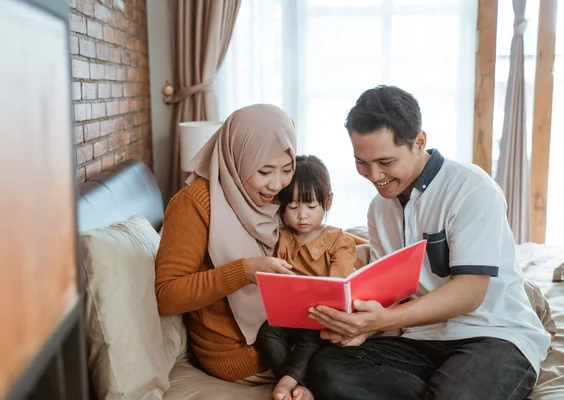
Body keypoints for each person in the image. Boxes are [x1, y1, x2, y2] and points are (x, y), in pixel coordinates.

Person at [307, 85, 551, 400]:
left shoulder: (471, 188)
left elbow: (469, 293)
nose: (374, 175)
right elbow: (395, 294)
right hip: (418, 340)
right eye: (362, 162)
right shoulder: (379, 209)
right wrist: (365, 327)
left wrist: (385, 319)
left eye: (385, 161)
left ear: (419, 142)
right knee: (329, 368)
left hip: (492, 335)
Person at [154, 104, 298, 385]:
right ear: (236, 158)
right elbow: (167, 295)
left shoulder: (270, 199)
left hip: (282, 329)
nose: (276, 184)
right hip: (241, 351)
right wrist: (244, 271)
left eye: (287, 169)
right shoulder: (194, 203)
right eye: (265, 171)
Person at [256, 155, 367, 400]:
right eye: (293, 208)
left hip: (325, 317)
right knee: (267, 333)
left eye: (311, 206)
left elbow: (341, 282)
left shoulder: (338, 241)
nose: (302, 215)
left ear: (327, 202)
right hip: (291, 315)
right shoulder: (281, 237)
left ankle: (287, 382)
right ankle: (302, 384)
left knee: (311, 336)